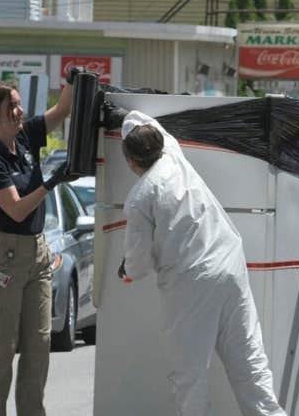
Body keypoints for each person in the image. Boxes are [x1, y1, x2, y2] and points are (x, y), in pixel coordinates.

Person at [112, 108, 287, 416]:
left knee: (190, 376)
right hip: (229, 263)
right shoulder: (173, 155)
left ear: (130, 161)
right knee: (248, 360)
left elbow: (137, 264)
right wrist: (127, 115)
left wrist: (126, 270)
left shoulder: (140, 197)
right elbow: (153, 126)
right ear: (158, 144)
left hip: (191, 283)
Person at [0, 74, 77, 416]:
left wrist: (73, 81)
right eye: (10, 106)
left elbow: (63, 109)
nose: (19, 111)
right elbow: (15, 209)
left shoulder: (26, 137)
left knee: (39, 346)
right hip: (3, 255)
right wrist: (52, 183)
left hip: (35, 251)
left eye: (18, 104)